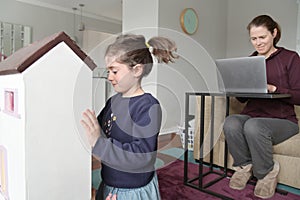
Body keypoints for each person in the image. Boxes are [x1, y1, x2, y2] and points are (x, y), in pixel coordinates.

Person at [81, 34, 178, 200]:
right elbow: (97, 129)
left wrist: (99, 143)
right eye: (108, 71)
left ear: (137, 70)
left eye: (115, 71)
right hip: (109, 181)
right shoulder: (113, 101)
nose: (109, 76)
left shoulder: (148, 106)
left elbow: (142, 157)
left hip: (131, 190)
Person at [223, 15, 300, 199]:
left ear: (274, 33)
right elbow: (242, 100)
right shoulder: (249, 61)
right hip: (253, 115)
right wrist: (236, 86)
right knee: (231, 122)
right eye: (254, 38)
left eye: (262, 37)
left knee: (254, 125)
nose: (258, 43)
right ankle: (244, 166)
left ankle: (266, 173)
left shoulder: (290, 58)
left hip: (283, 121)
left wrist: (274, 88)